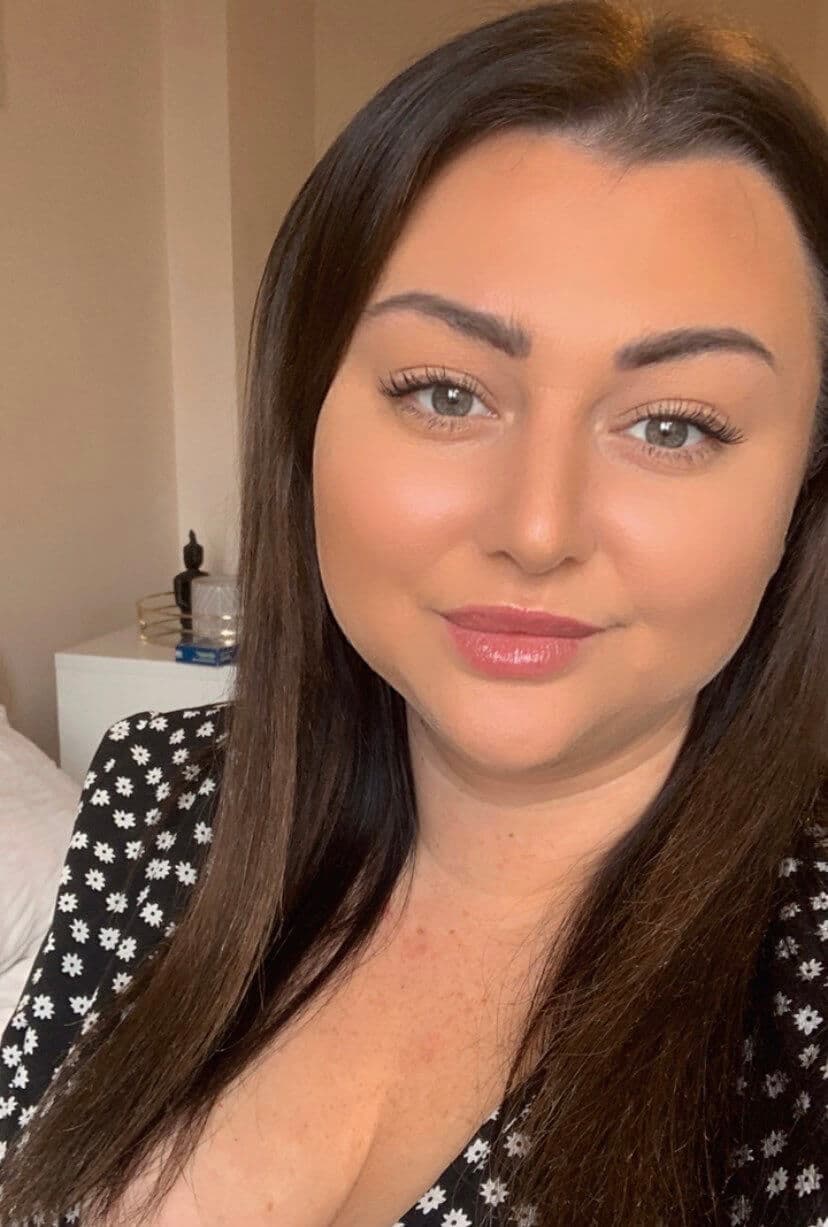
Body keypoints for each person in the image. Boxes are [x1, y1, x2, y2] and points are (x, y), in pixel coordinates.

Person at [1, 1, 826, 1224]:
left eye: (674, 424)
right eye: (445, 392)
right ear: (308, 418)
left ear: (801, 495)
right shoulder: (162, 803)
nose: (537, 528)